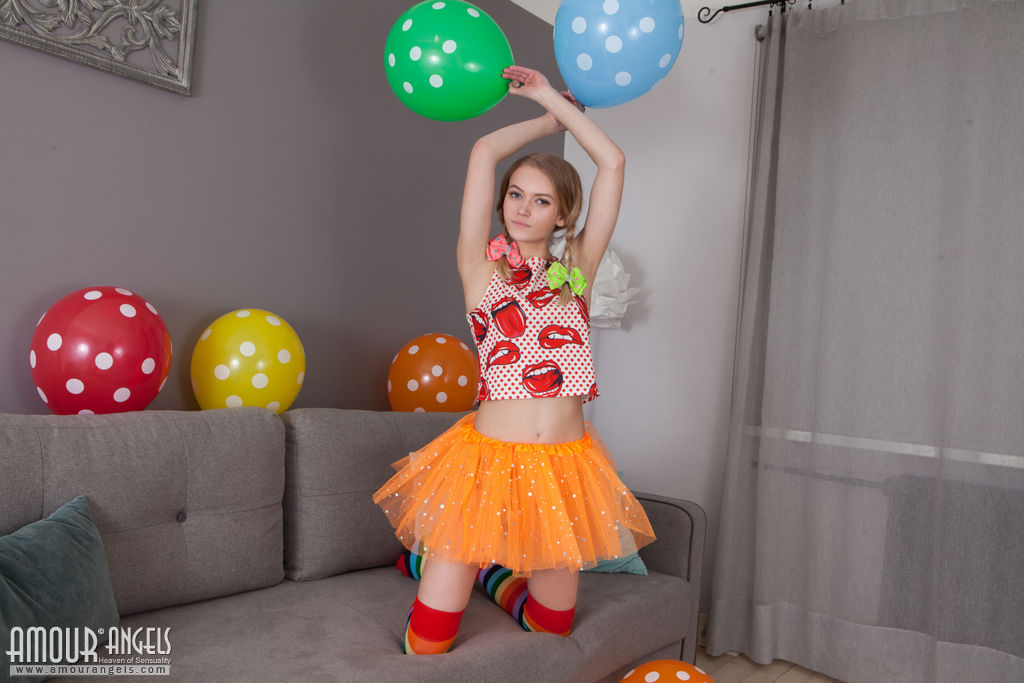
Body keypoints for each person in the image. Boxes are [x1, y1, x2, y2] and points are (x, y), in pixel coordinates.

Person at [373, 65, 655, 656]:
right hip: (484, 462)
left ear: (563, 216)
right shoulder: (480, 270)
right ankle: (460, 569)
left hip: (563, 465)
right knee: (429, 644)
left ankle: (493, 577)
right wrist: (544, 121)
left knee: (552, 628)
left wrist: (555, 98)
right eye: (515, 194)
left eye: (542, 200)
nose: (523, 208)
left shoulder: (577, 272)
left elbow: (613, 162)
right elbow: (483, 151)